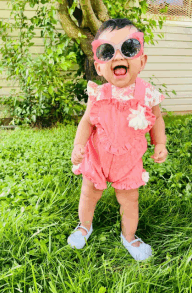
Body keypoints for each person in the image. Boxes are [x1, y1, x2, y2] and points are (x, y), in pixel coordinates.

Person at [68, 18, 168, 261]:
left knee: (129, 200)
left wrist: (160, 143)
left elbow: (157, 120)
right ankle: (84, 225)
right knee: (88, 193)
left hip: (128, 162)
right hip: (98, 158)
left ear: (141, 61)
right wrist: (78, 145)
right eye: (107, 51)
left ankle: (129, 236)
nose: (118, 56)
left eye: (130, 48)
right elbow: (87, 122)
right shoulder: (98, 94)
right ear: (99, 66)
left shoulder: (148, 94)